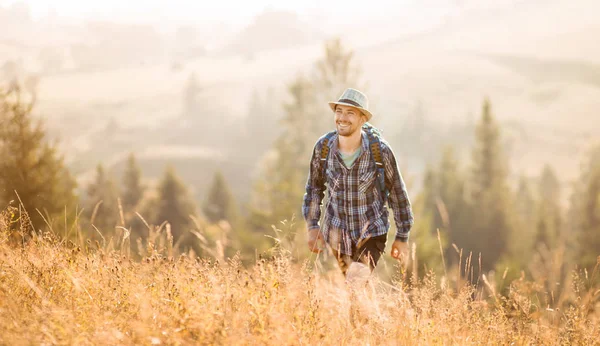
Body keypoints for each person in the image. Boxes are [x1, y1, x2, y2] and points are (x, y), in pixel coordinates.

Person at [302, 88, 414, 277]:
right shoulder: (323, 148)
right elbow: (314, 189)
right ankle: (366, 307)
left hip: (371, 232)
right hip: (336, 235)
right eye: (339, 111)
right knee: (350, 289)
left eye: (350, 113)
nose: (342, 118)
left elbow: (397, 193)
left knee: (356, 278)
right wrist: (312, 226)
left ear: (363, 119)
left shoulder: (380, 152)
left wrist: (402, 235)